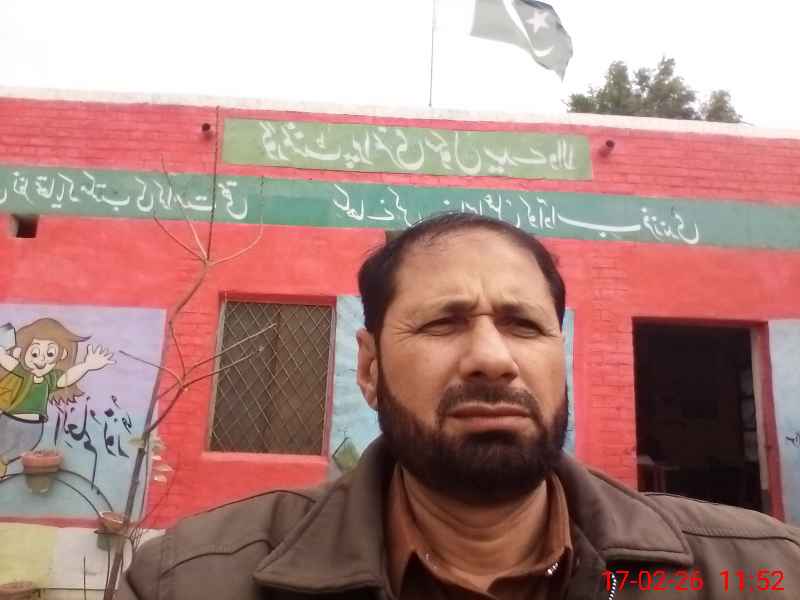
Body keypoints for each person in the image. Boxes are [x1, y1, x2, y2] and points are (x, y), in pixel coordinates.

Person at [120, 213, 800, 599]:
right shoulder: (192, 581)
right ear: (370, 368)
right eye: (444, 324)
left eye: (524, 325)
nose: (492, 358)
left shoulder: (762, 572)